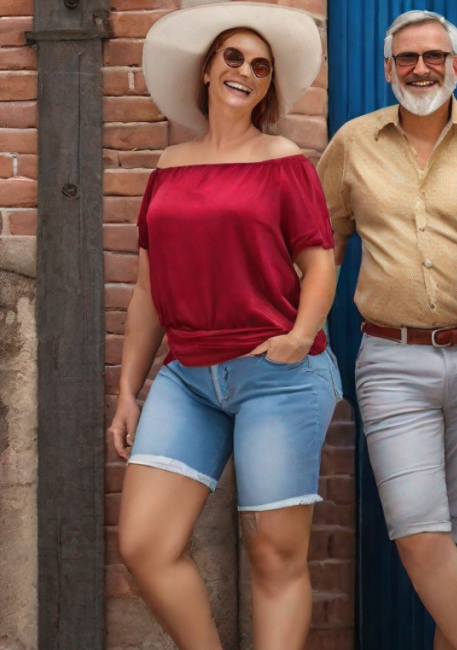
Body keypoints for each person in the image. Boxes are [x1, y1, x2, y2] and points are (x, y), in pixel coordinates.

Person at [108, 4, 342, 650]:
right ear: (208, 70)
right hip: (187, 378)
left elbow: (320, 265)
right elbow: (150, 290)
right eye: (233, 58)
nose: (246, 72)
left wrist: (298, 337)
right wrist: (129, 390)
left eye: (261, 67)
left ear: (268, 87)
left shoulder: (283, 159)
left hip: (277, 375)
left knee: (273, 556)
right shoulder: (167, 167)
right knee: (146, 544)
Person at [316, 11, 457, 650]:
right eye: (407, 58)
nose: (421, 68)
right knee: (416, 531)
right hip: (391, 359)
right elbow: (322, 244)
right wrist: (299, 328)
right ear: (388, 70)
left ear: (456, 65)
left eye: (434, 56)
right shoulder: (352, 143)